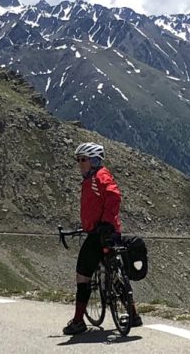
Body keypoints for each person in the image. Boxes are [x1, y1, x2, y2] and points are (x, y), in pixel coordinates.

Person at [63, 142, 142, 335]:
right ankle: (133, 314)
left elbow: (113, 196)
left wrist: (105, 222)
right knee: (111, 271)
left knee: (83, 275)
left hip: (101, 233)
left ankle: (78, 321)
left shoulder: (100, 176)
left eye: (83, 159)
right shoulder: (91, 179)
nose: (80, 163)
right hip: (107, 231)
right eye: (78, 160)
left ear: (94, 160)